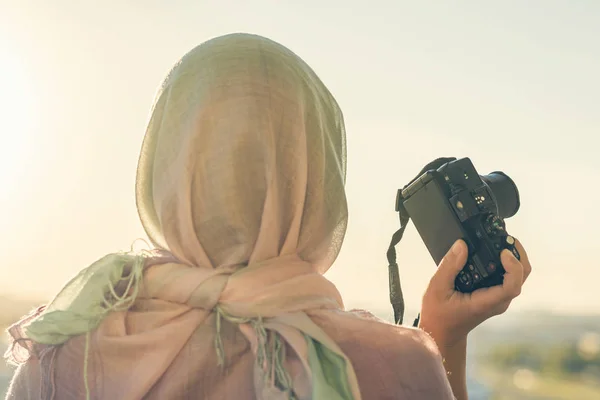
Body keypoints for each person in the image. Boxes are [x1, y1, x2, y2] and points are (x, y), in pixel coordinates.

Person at [4, 33, 532, 400]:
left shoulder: (63, 356)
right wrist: (444, 338)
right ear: (317, 178)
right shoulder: (385, 367)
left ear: (166, 166)